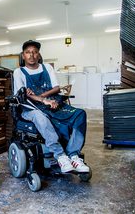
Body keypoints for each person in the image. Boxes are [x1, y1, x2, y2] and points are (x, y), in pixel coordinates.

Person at [13, 40, 89, 173]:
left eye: (35, 52)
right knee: (41, 117)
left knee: (79, 114)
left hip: (51, 103)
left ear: (39, 55)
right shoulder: (19, 72)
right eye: (28, 52)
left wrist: (43, 97)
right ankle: (60, 155)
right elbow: (23, 94)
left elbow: (56, 88)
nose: (32, 55)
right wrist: (43, 100)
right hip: (30, 109)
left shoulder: (47, 67)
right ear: (23, 55)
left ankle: (73, 155)